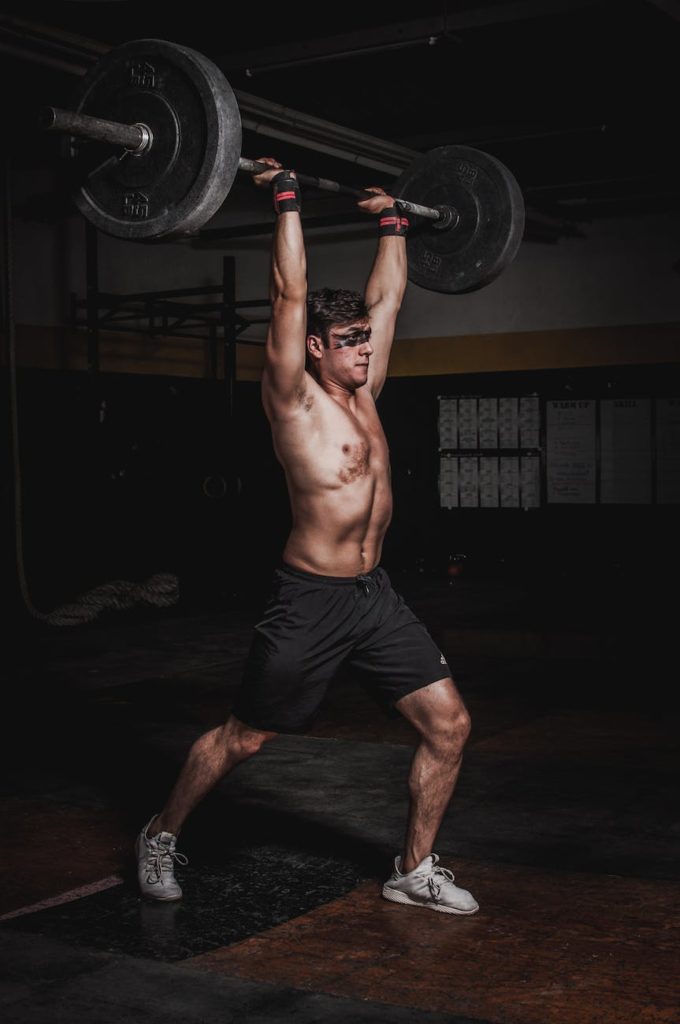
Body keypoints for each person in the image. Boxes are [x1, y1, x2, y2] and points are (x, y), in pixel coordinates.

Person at [135, 159, 478, 916]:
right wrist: (285, 198)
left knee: (449, 726)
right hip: (310, 600)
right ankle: (161, 832)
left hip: (374, 595)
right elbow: (289, 293)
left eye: (366, 341)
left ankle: (412, 870)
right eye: (350, 341)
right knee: (246, 738)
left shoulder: (366, 389)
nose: (366, 349)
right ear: (314, 348)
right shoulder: (292, 401)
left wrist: (395, 221)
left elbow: (387, 299)